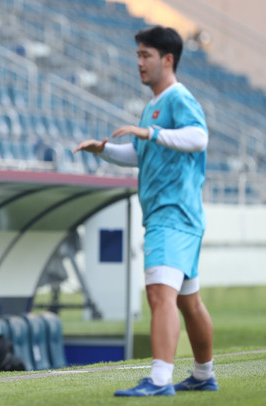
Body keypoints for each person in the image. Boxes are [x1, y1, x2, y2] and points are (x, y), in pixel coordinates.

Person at [74, 26, 217, 396]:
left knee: (158, 294)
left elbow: (199, 137)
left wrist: (150, 133)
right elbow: (140, 154)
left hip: (172, 214)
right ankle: (203, 374)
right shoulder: (154, 105)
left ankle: (159, 380)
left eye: (145, 55)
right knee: (188, 301)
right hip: (178, 216)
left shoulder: (177, 98)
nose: (138, 62)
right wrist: (103, 151)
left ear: (167, 60)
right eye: (137, 54)